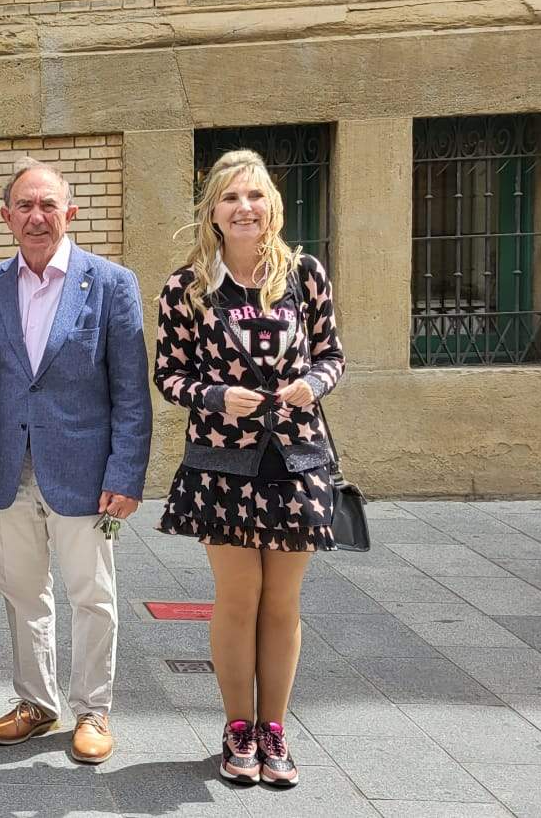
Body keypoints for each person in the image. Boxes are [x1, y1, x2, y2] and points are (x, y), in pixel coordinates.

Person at [153, 148, 344, 789]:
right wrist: (213, 396)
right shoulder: (188, 287)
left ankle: (275, 729)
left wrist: (311, 385)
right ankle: (239, 727)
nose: (244, 208)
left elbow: (332, 356)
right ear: (213, 211)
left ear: (273, 209)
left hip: (295, 458)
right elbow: (168, 375)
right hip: (221, 463)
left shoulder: (305, 275)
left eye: (255, 197)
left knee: (282, 604)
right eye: (231, 198)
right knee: (237, 600)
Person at [0, 159, 151, 764]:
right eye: (24, 205)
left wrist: (126, 472)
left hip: (84, 471)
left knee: (91, 594)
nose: (36, 216)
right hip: (4, 468)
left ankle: (93, 710)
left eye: (48, 205)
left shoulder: (111, 283)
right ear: (6, 216)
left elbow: (130, 388)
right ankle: (36, 704)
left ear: (71, 212)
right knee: (22, 592)